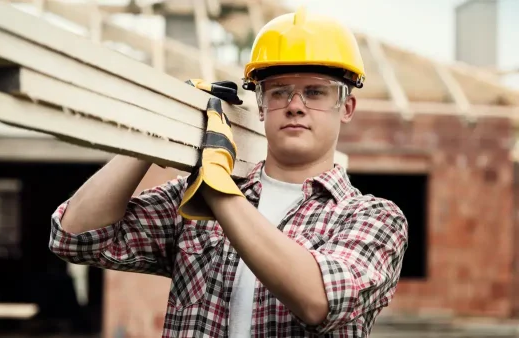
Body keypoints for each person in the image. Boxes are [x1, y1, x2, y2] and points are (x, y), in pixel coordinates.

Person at [49, 6, 408, 337]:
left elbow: (319, 300)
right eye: (279, 92)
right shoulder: (193, 196)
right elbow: (75, 237)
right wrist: (158, 134)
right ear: (261, 106)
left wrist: (217, 190)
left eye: (315, 92)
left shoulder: (373, 218)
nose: (295, 106)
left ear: (347, 107)